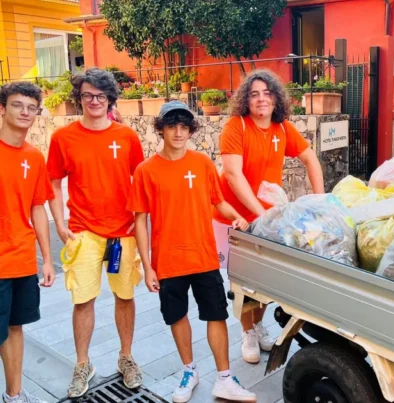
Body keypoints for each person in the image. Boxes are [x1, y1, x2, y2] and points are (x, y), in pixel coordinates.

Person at [128, 101, 257, 402]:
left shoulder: (202, 163)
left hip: (204, 256)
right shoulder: (146, 171)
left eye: (184, 127)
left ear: (191, 130)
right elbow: (140, 221)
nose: (178, 132)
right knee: (177, 316)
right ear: (161, 129)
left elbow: (218, 202)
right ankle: (190, 370)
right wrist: (147, 266)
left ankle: (224, 378)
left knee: (216, 315)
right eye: (172, 126)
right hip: (168, 260)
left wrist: (237, 216)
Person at [213, 69, 324, 364]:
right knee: (242, 279)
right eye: (254, 94)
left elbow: (310, 159)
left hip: (265, 217)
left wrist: (321, 201)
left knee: (263, 277)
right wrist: (261, 214)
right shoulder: (236, 127)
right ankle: (247, 331)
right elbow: (233, 176)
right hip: (233, 218)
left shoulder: (282, 128)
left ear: (276, 98)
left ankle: (258, 324)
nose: (261, 99)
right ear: (246, 100)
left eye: (267, 93)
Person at [46, 68, 145, 397]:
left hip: (122, 232)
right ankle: (83, 364)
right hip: (83, 231)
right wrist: (60, 223)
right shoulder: (63, 138)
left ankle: (126, 357)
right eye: (87, 95)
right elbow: (54, 183)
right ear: (80, 97)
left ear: (110, 99)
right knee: (83, 300)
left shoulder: (126, 137)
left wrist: (138, 220)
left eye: (101, 96)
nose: (94, 101)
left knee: (125, 297)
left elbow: (140, 179)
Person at [0, 82, 56, 403]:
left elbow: (38, 207)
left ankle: (14, 395)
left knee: (15, 327)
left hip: (21, 260)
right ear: (2, 108)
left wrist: (46, 259)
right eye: (17, 105)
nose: (25, 112)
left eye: (31, 107)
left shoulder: (34, 157)